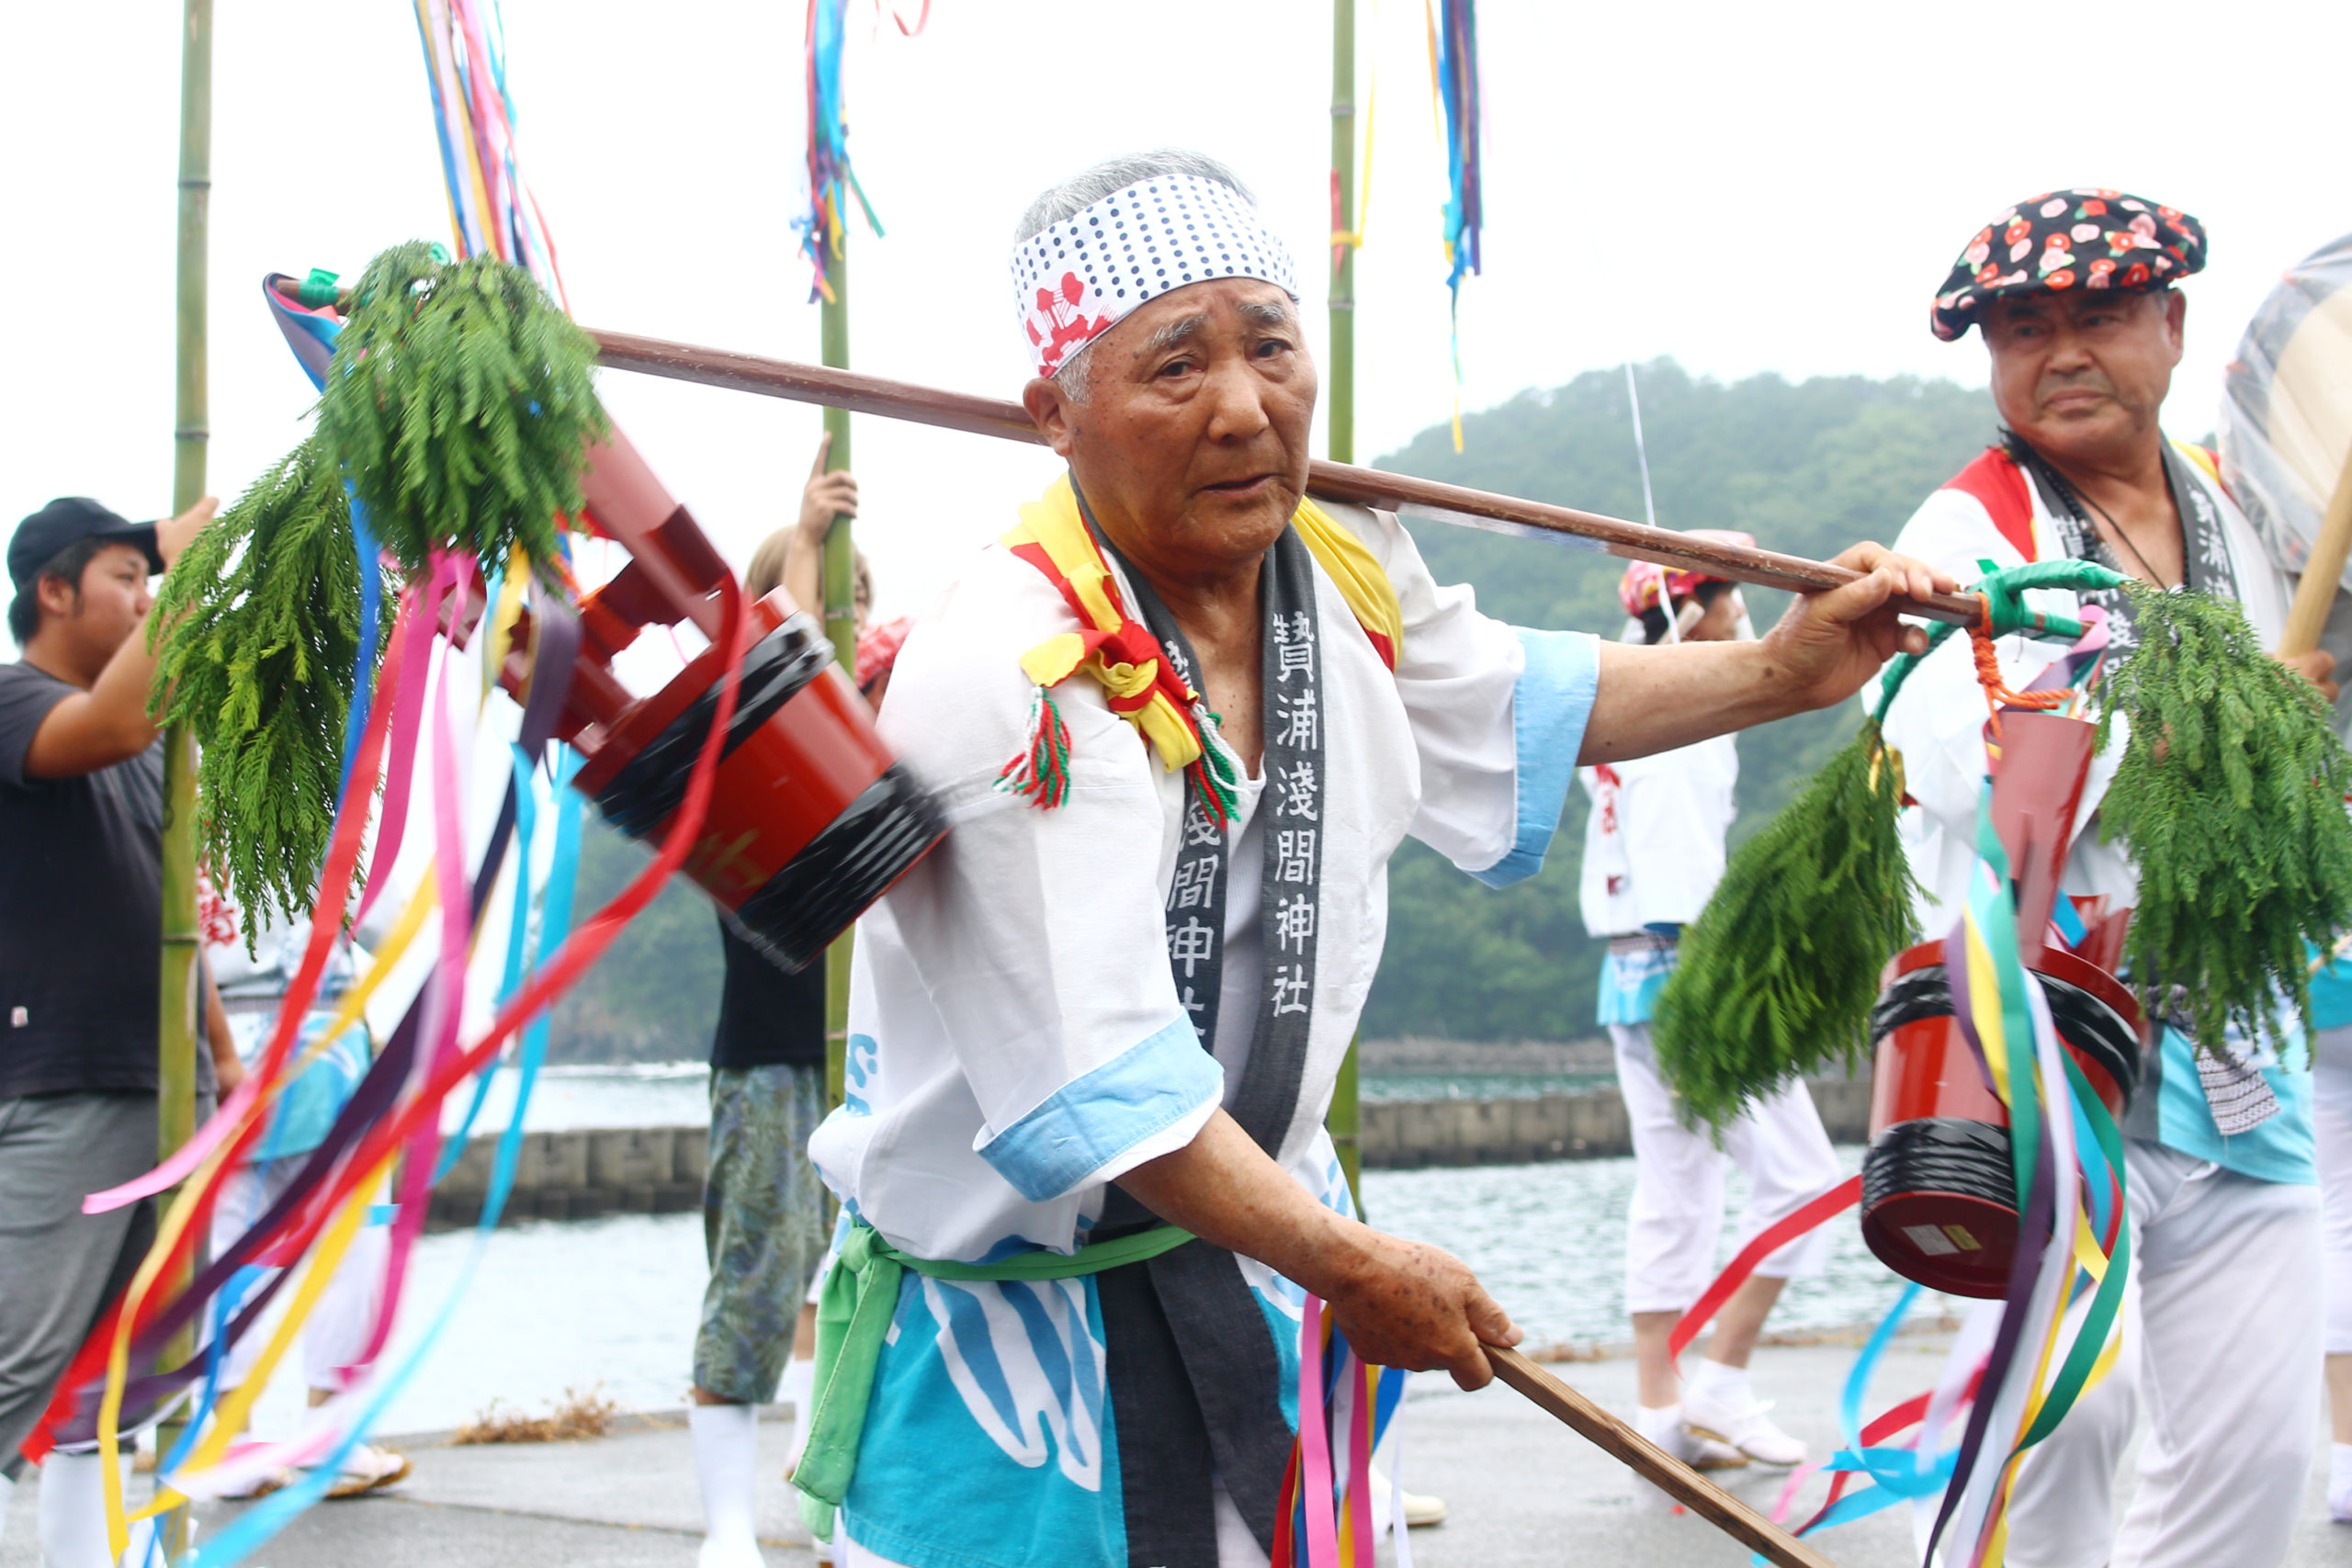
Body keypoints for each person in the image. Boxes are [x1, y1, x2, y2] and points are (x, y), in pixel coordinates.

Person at [792, 149, 1949, 1568]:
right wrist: (1352, 1263)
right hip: (1032, 1352)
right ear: (1057, 413)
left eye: (1270, 347)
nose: (1243, 406)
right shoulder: (1009, 672)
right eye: (1174, 368)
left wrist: (1778, 670)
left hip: (1275, 1282)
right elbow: (1102, 1089)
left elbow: (1516, 695)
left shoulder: (1334, 560)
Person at [1883, 190, 2338, 1568]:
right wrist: (2228, 715)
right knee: (2068, 1417)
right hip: (2040, 1038)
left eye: (2100, 315)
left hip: (2240, 1040)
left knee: (2265, 1449)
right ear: (1992, 358)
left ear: (2173, 325)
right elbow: (1968, 765)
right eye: (2027, 328)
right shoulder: (1972, 532)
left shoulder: (2245, 506)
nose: (2064, 350)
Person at [0, 495, 243, 1566]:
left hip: (159, 1082)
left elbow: (168, 910)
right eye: (124, 581)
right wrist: (190, 575)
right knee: (17, 1363)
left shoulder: (149, 739)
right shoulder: (18, 700)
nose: (147, 597)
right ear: (52, 592)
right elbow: (112, 721)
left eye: (150, 580)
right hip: (64, 1078)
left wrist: (225, 1060)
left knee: (109, 1389)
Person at [1577, 552, 1840, 1482]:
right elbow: (1679, 871)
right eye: (1736, 595)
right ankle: (1720, 1378)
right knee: (1805, 1180)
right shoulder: (1686, 721)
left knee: (1675, 1186)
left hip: (1625, 974)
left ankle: (1661, 1405)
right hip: (1688, 967)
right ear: (1701, 608)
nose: (1747, 613)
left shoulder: (1615, 704)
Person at [689, 443, 876, 1568]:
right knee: (757, 1283)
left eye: (863, 599)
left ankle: (831, 1515)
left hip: (869, 1059)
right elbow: (786, 669)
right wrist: (804, 548)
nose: (848, 621)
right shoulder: (742, 737)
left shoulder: (881, 724)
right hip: (773, 1052)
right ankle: (723, 1526)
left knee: (865, 1294)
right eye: (833, 600)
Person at [201, 911, 408, 1500]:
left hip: (230, 1044)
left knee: (227, 1256)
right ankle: (325, 1439)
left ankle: (235, 1443)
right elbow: (402, 914)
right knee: (349, 1248)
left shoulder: (180, 827)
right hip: (328, 1050)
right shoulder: (340, 820)